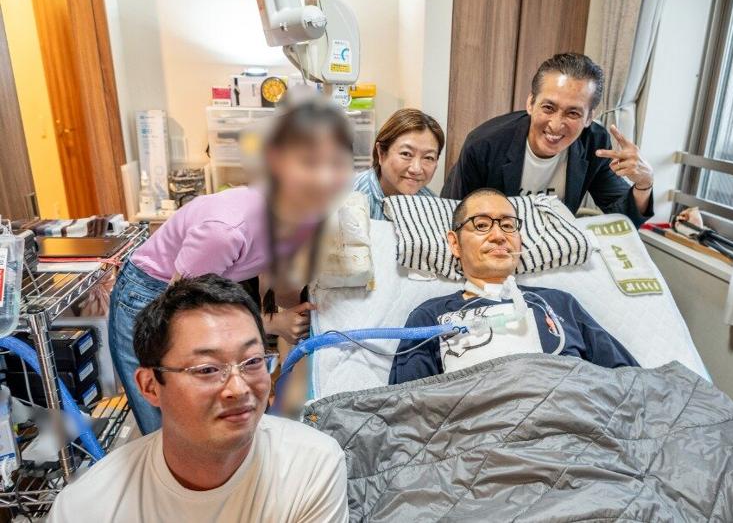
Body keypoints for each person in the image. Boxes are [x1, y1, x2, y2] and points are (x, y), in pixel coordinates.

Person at [109, 98, 354, 434]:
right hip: (152, 295)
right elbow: (183, 317)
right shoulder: (225, 231)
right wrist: (273, 324)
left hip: (205, 288)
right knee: (169, 422)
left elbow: (278, 282)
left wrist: (296, 319)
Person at [49, 275, 348, 523]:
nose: (239, 388)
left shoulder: (311, 466)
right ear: (150, 386)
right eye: (207, 369)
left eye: (253, 362)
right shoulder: (86, 508)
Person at [389, 188, 638, 385]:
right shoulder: (431, 317)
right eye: (481, 225)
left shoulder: (559, 304)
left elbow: (631, 381)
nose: (499, 236)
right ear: (455, 244)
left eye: (508, 226)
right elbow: (407, 407)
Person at [441, 53, 654, 228]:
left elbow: (623, 218)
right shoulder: (484, 144)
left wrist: (644, 184)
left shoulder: (594, 143)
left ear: (589, 117)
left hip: (554, 248)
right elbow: (454, 218)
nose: (556, 124)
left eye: (573, 113)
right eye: (548, 108)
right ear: (530, 103)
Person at [353, 108, 445, 220]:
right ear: (381, 153)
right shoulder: (344, 196)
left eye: (428, 157)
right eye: (406, 154)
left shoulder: (433, 208)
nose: (416, 169)